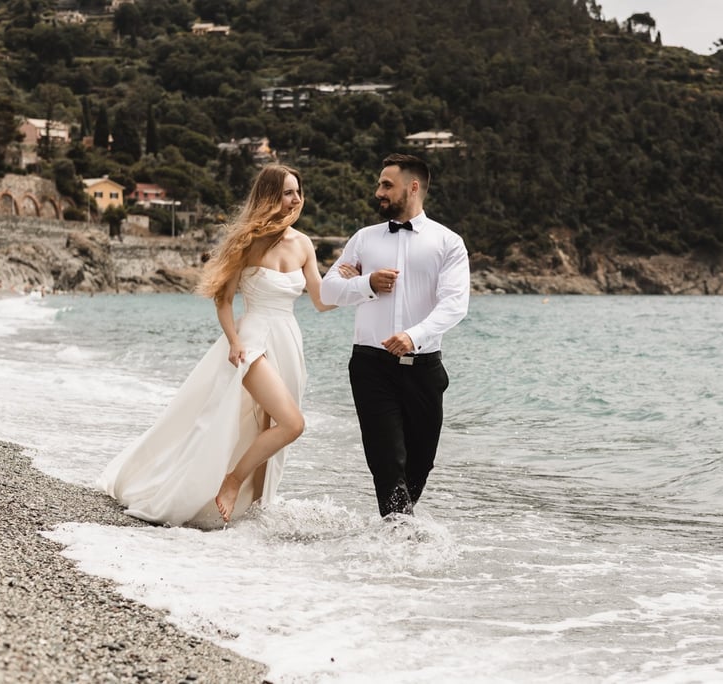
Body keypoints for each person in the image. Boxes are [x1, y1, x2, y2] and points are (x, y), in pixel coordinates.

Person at [99, 164, 339, 528]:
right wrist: (233, 341)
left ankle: (257, 514)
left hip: (289, 341)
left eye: (298, 192)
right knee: (293, 424)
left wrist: (358, 284)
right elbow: (223, 300)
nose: (296, 199)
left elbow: (321, 301)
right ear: (270, 196)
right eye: (288, 192)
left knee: (269, 429)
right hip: (254, 341)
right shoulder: (246, 241)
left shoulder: (304, 243)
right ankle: (231, 482)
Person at [321, 153, 471, 518]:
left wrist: (413, 336)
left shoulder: (448, 243)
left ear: (413, 186)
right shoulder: (363, 240)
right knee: (387, 460)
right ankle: (400, 539)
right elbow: (328, 292)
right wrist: (366, 284)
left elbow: (455, 305)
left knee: (420, 463)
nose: (378, 192)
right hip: (371, 366)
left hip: (424, 368)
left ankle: (397, 529)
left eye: (387, 184)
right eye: (379, 185)